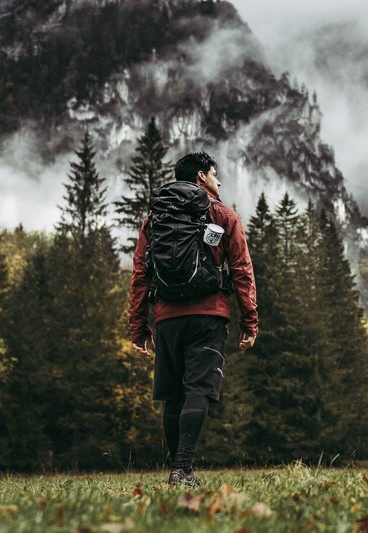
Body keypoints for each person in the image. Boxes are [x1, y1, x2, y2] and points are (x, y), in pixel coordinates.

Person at [128, 151, 257, 486]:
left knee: (173, 394)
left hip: (167, 316)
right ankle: (182, 469)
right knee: (198, 389)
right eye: (215, 174)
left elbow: (140, 274)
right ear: (201, 177)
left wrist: (139, 327)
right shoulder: (223, 215)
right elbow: (242, 270)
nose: (219, 181)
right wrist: (249, 322)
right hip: (208, 315)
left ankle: (178, 468)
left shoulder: (154, 219)